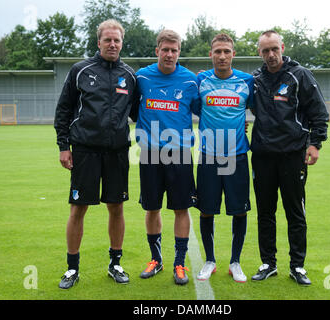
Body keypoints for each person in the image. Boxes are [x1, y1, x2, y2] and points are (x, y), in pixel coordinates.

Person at [54, 19, 138, 289]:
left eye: (117, 40)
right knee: (78, 208)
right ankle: (72, 268)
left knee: (116, 207)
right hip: (85, 150)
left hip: (117, 152)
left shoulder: (130, 75)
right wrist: (63, 147)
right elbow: (64, 109)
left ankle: (115, 264)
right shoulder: (81, 70)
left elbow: (138, 113)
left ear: (122, 43)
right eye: (107, 40)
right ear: (98, 42)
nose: (112, 44)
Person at [250, 30, 329, 285]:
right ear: (259, 53)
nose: (271, 54)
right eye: (265, 50)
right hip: (262, 156)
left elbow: (318, 111)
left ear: (282, 47)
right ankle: (268, 263)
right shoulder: (256, 79)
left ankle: (297, 266)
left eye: (274, 49)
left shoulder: (300, 75)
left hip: (293, 155)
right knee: (265, 212)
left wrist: (315, 144)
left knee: (295, 212)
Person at [134, 29, 200, 285]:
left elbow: (203, 111)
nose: (170, 54)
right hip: (150, 153)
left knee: (181, 208)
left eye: (174, 50)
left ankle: (180, 263)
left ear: (179, 52)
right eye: (165, 49)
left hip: (180, 153)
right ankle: (156, 259)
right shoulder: (141, 77)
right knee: (152, 208)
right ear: (157, 50)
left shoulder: (190, 81)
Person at [195, 34, 254, 283]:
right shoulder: (200, 80)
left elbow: (260, 109)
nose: (222, 56)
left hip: (237, 156)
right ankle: (209, 260)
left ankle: (235, 262)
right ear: (211, 54)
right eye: (217, 51)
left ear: (233, 54)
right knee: (207, 211)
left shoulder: (247, 81)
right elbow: (194, 107)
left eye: (226, 51)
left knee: (239, 212)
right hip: (209, 156)